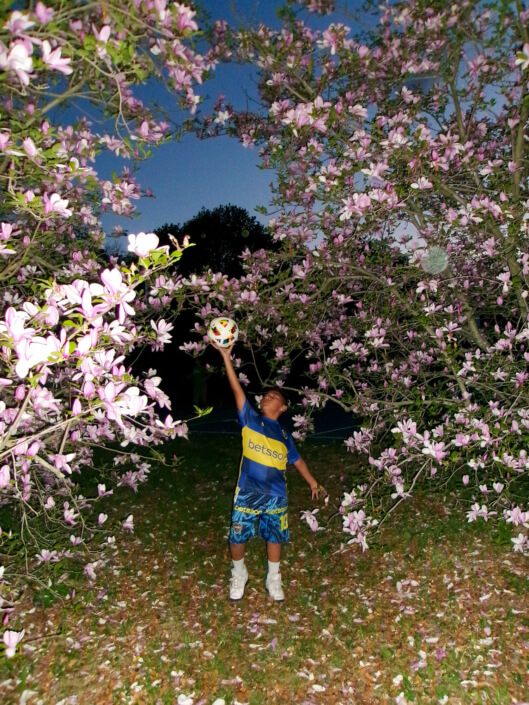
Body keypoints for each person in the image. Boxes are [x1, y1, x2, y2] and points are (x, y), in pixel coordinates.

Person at [213, 342, 324, 602]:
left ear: (283, 408)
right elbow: (236, 389)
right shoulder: (250, 419)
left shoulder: (285, 435)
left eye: (274, 397)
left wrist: (312, 482)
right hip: (248, 491)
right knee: (238, 535)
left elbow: (297, 462)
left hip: (276, 494)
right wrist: (226, 358)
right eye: (265, 396)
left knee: (275, 536)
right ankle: (239, 572)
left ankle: (274, 577)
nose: (267, 398)